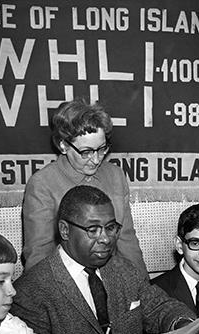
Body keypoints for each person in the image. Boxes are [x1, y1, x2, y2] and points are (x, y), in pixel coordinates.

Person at [12, 185, 199, 334]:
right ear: (64, 230)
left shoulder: (123, 269)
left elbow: (160, 307)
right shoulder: (30, 291)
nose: (105, 238)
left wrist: (182, 324)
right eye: (93, 230)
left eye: (110, 227)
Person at [21, 96, 148, 278]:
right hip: (65, 281)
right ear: (64, 145)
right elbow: (38, 252)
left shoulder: (115, 175)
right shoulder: (43, 183)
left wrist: (144, 287)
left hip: (111, 277)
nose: (96, 160)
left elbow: (127, 240)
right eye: (86, 152)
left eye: (102, 149)